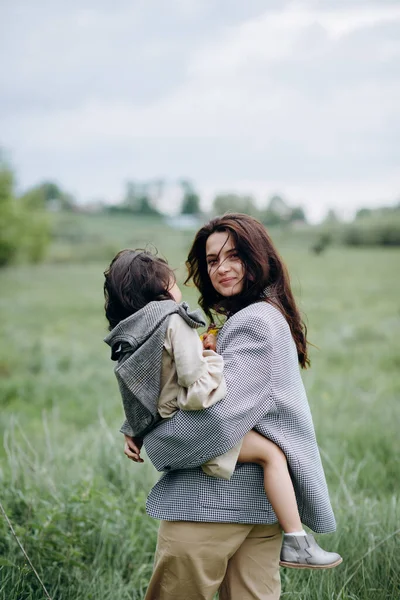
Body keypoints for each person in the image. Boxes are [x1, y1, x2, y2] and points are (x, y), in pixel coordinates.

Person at [122, 214, 340, 599]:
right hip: (256, 509)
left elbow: (218, 422)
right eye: (211, 260)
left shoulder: (255, 321)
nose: (221, 268)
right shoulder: (252, 318)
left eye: (234, 256)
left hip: (212, 506)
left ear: (258, 258)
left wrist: (152, 441)